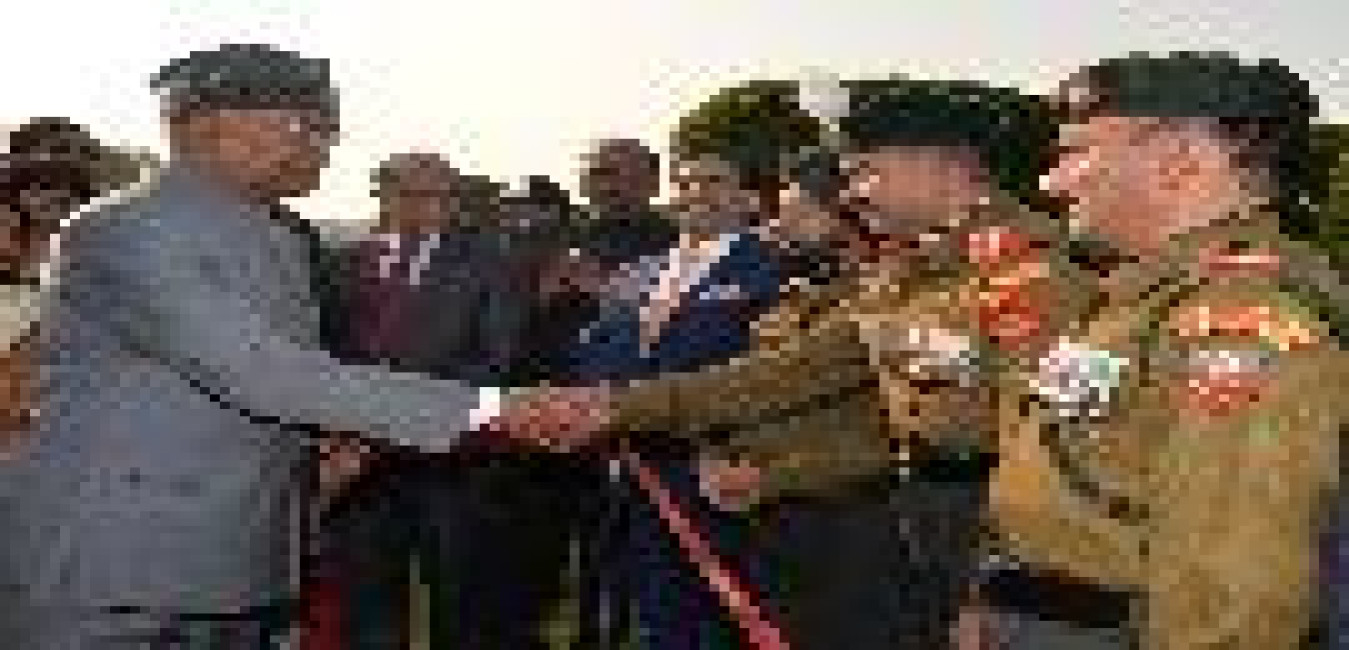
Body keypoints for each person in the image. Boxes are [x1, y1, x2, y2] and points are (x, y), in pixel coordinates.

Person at [0, 43, 606, 649]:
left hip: (237, 559)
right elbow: (257, 371)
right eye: (304, 126)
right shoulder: (125, 229)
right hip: (110, 567)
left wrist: (323, 447)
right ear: (207, 125)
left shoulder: (283, 242)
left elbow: (284, 385)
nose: (323, 146)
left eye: (328, 130)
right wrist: (491, 408)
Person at [600, 78, 1069, 650]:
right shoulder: (905, 276)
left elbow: (1050, 446)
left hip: (988, 553)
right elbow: (795, 372)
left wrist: (991, 591)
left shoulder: (1028, 273)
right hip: (909, 533)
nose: (852, 195)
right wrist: (612, 407)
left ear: (945, 167)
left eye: (867, 172)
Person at [982, 52, 1344, 650]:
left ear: (1179, 163)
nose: (1051, 182)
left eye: (1078, 153)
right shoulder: (1142, 296)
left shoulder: (1239, 322)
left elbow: (1226, 600)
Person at [564, 148, 789, 650]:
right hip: (630, 469)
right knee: (654, 616)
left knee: (719, 617)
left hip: (714, 473)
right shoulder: (636, 275)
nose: (696, 193)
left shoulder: (770, 271)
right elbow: (595, 352)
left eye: (714, 181)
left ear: (749, 200)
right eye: (685, 183)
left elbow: (767, 371)